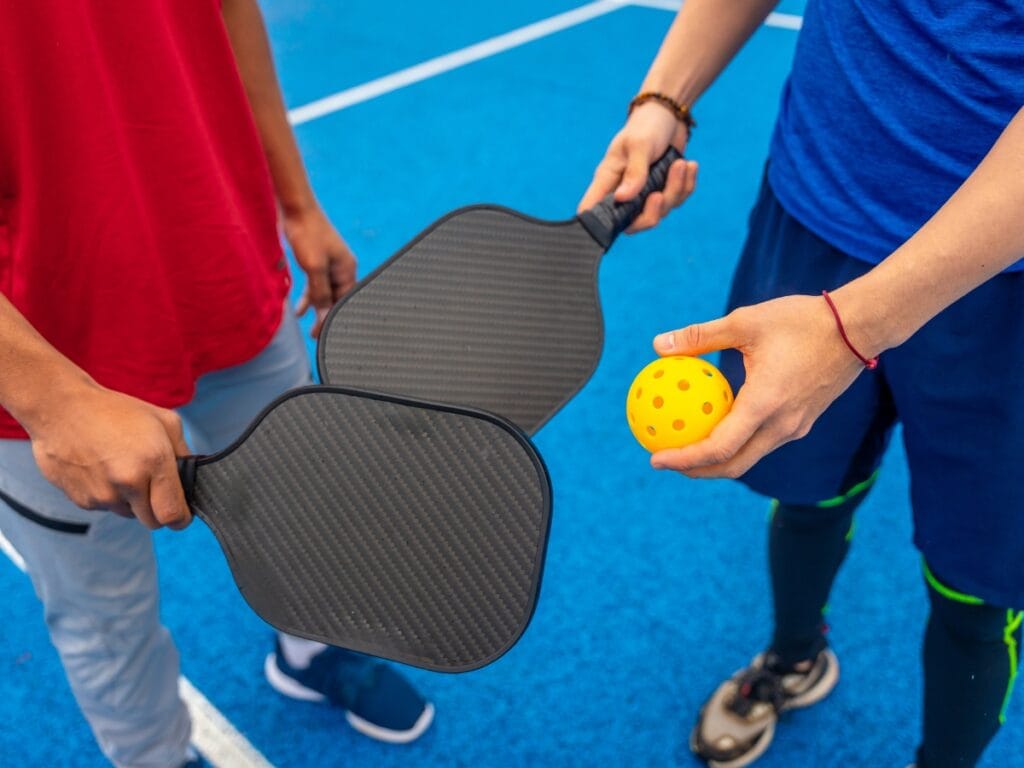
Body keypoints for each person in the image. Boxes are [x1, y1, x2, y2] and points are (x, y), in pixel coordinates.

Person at [580, 1, 1023, 766]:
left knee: (979, 585)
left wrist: (856, 325)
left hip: (1001, 279)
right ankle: (793, 659)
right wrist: (665, 98)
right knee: (806, 491)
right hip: (814, 217)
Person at [0, 2, 432, 766]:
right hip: (42, 340)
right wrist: (50, 398)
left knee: (301, 504)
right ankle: (155, 756)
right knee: (106, 614)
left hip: (221, 260)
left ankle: (309, 650)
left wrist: (296, 204)